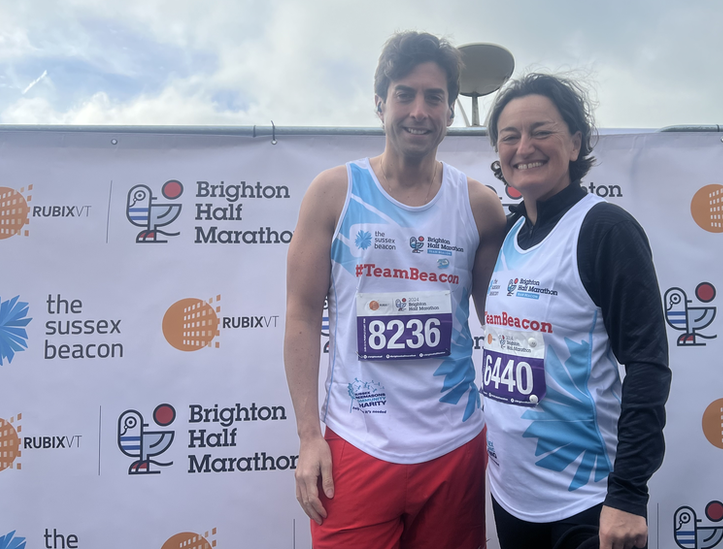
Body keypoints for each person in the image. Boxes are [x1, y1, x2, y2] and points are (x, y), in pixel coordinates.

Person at [283, 31, 506, 548]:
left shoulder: (479, 205)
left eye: (434, 97)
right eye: (405, 93)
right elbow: (299, 316)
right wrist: (308, 436)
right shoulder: (333, 193)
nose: (419, 110)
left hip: (455, 447)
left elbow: (504, 324)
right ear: (381, 102)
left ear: (450, 111)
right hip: (355, 449)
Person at [481, 73, 671, 549]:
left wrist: (628, 495)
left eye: (541, 131)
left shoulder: (605, 229)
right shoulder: (503, 234)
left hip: (586, 503)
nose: (524, 146)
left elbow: (647, 367)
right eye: (510, 136)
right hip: (511, 498)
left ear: (574, 143)